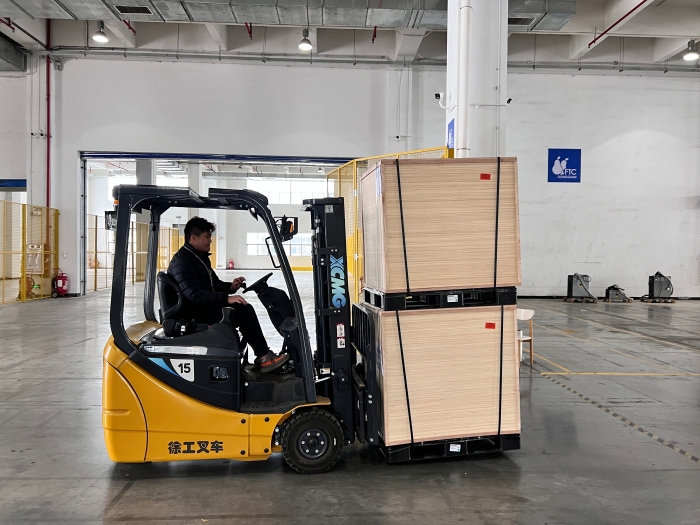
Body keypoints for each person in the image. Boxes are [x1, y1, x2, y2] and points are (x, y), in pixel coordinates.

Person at [168, 216, 289, 373]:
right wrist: (226, 298)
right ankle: (264, 357)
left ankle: (262, 355)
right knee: (243, 311)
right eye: (207, 237)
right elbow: (194, 295)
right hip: (193, 313)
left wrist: (231, 287)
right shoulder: (184, 262)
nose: (210, 241)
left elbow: (214, 284)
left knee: (243, 308)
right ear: (193, 238)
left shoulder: (197, 257)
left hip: (199, 307)